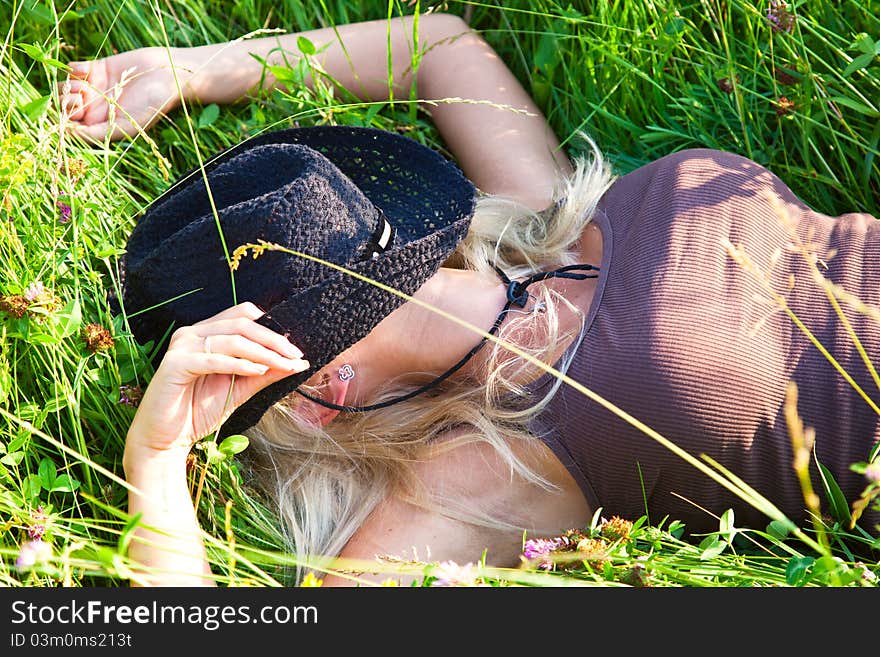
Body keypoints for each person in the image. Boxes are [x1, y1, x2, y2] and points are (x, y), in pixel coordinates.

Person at [59, 12, 880, 587]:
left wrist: (198, 69)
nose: (335, 225)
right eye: (300, 276)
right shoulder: (485, 476)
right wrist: (157, 464)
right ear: (316, 394)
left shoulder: (543, 226)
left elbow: (441, 47)